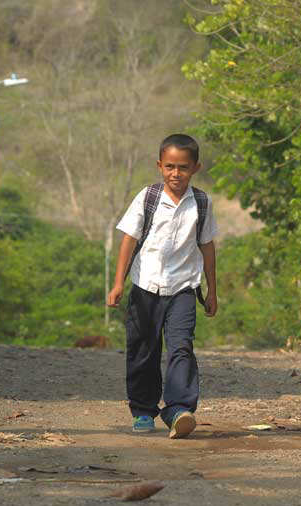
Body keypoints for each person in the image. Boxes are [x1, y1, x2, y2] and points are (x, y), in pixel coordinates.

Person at [107, 133, 218, 438]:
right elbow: (128, 240)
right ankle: (143, 410)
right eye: (169, 166)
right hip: (145, 287)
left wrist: (212, 291)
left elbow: (207, 247)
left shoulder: (202, 203)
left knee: (181, 347)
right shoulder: (148, 197)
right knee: (144, 349)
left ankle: (178, 409)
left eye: (183, 167)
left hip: (183, 288)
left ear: (195, 167)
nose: (176, 174)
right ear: (159, 165)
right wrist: (118, 284)